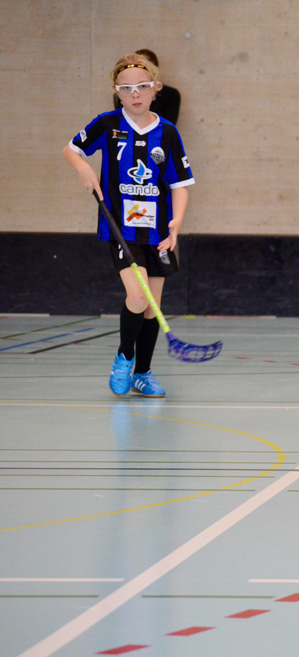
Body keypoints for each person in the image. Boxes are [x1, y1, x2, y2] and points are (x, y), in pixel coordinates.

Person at [63, 53, 194, 398]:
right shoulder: (107, 124)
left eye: (142, 87)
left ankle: (143, 374)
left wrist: (176, 223)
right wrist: (83, 167)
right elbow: (71, 149)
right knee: (137, 296)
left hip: (158, 231)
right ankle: (124, 358)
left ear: (155, 88)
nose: (135, 94)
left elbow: (180, 184)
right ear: (117, 92)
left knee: (152, 306)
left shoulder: (168, 132)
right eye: (126, 89)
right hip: (121, 227)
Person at [112, 49, 181, 125]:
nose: (135, 94)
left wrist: (152, 96)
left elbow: (167, 124)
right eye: (126, 87)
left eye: (143, 86)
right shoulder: (105, 121)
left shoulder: (171, 94)